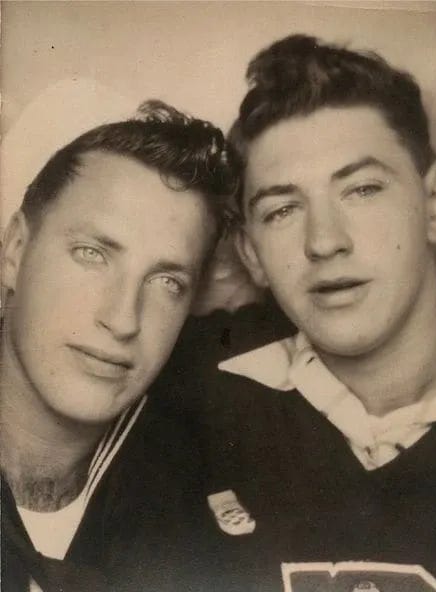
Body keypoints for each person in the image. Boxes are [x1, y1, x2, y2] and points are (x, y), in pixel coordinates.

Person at [184, 35, 436, 591]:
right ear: (252, 254)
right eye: (283, 209)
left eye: (362, 189)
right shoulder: (194, 394)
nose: (324, 241)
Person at [0, 100, 239, 592]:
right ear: (15, 251)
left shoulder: (195, 492)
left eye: (167, 282)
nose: (123, 319)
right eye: (92, 254)